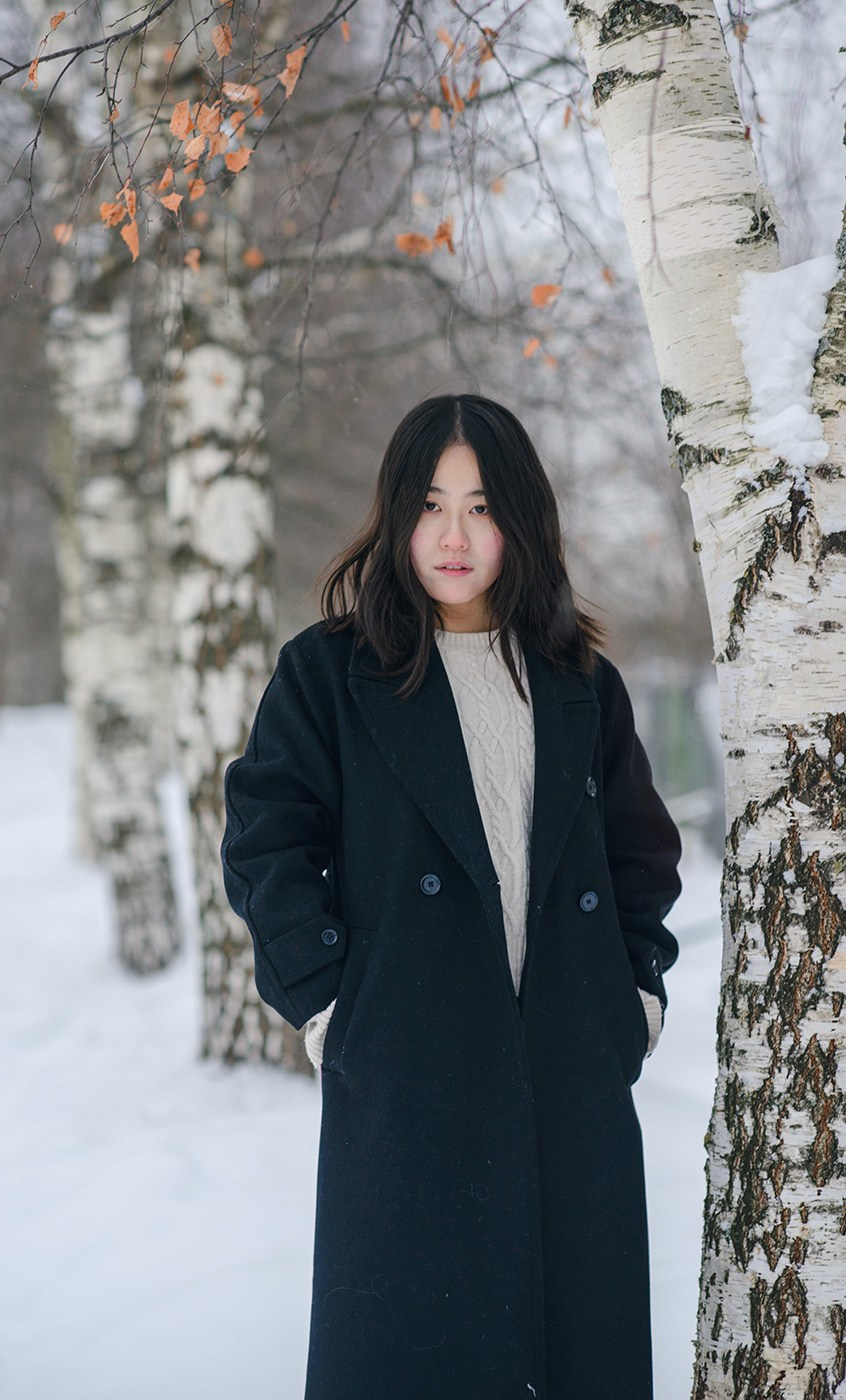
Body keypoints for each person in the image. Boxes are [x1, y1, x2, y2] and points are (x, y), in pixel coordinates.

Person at [221, 393, 681, 1400]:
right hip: (409, 1083)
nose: (456, 534)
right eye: (433, 505)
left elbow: (639, 855)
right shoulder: (327, 676)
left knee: (571, 1354)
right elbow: (265, 839)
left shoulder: (576, 681)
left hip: (567, 1082)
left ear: (519, 521)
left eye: (481, 506)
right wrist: (333, 1001)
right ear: (396, 517)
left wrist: (633, 998)